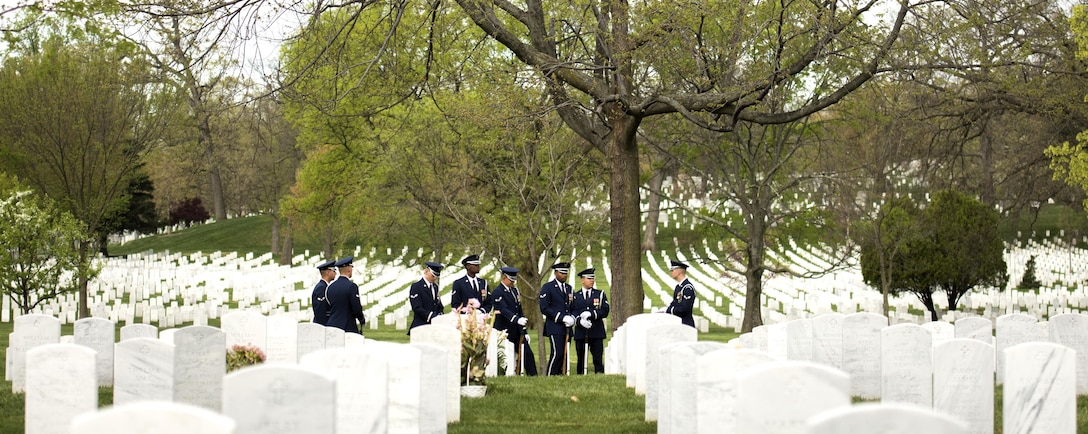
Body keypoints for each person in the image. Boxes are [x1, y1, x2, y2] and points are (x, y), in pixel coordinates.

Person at [490, 266, 537, 376]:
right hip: (504, 330)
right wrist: (516, 319)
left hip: (517, 330)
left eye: (514, 280)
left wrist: (524, 330)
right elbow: (503, 309)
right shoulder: (497, 292)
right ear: (504, 278)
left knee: (528, 354)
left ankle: (533, 376)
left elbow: (519, 310)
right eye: (511, 280)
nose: (513, 282)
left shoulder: (515, 291)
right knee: (506, 356)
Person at [571, 268, 609, 374]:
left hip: (596, 331)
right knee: (581, 358)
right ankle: (581, 376)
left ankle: (599, 375)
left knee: (598, 358)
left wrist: (592, 314)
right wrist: (579, 321)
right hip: (581, 331)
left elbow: (605, 311)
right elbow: (573, 311)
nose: (592, 280)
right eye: (589, 278)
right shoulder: (575, 296)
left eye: (593, 278)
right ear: (582, 280)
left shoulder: (600, 294)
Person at [539, 262, 574, 375]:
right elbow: (544, 308)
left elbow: (573, 305)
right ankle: (550, 375)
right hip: (555, 326)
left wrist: (572, 317)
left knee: (565, 354)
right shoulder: (548, 287)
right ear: (555, 273)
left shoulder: (569, 288)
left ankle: (561, 375)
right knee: (557, 353)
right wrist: (561, 317)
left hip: (567, 327)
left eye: (566, 273)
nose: (564, 275)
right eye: (562, 273)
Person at [325, 256, 367, 333]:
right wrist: (361, 319)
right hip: (347, 326)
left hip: (331, 325)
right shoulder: (351, 286)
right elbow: (356, 308)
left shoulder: (330, 287)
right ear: (349, 269)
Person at [408, 261, 446, 334]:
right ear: (426, 271)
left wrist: (440, 314)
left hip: (434, 325)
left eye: (436, 276)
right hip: (421, 325)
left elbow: (438, 304)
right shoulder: (416, 287)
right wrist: (431, 315)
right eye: (433, 275)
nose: (435, 278)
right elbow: (417, 307)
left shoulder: (435, 287)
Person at [657, 260, 696, 327]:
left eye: (672, 270)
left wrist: (668, 310)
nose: (671, 273)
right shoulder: (679, 287)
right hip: (678, 323)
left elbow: (684, 308)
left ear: (678, 272)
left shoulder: (687, 288)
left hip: (685, 324)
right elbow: (675, 303)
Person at [310, 259, 336, 325]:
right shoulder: (321, 288)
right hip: (322, 325)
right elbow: (320, 310)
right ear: (328, 272)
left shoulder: (325, 286)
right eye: (334, 270)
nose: (335, 273)